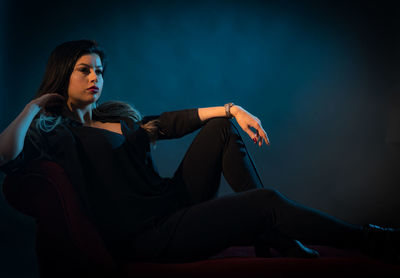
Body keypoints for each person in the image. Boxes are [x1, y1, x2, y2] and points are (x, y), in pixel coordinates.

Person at [0, 40, 399, 266]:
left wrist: (231, 108)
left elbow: (169, 122)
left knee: (222, 127)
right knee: (266, 202)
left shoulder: (114, 117)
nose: (94, 78)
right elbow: (5, 155)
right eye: (84, 70)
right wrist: (34, 106)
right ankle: (368, 242)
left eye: (99, 71)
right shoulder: (59, 133)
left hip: (171, 205)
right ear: (62, 73)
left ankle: (272, 235)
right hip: (148, 236)